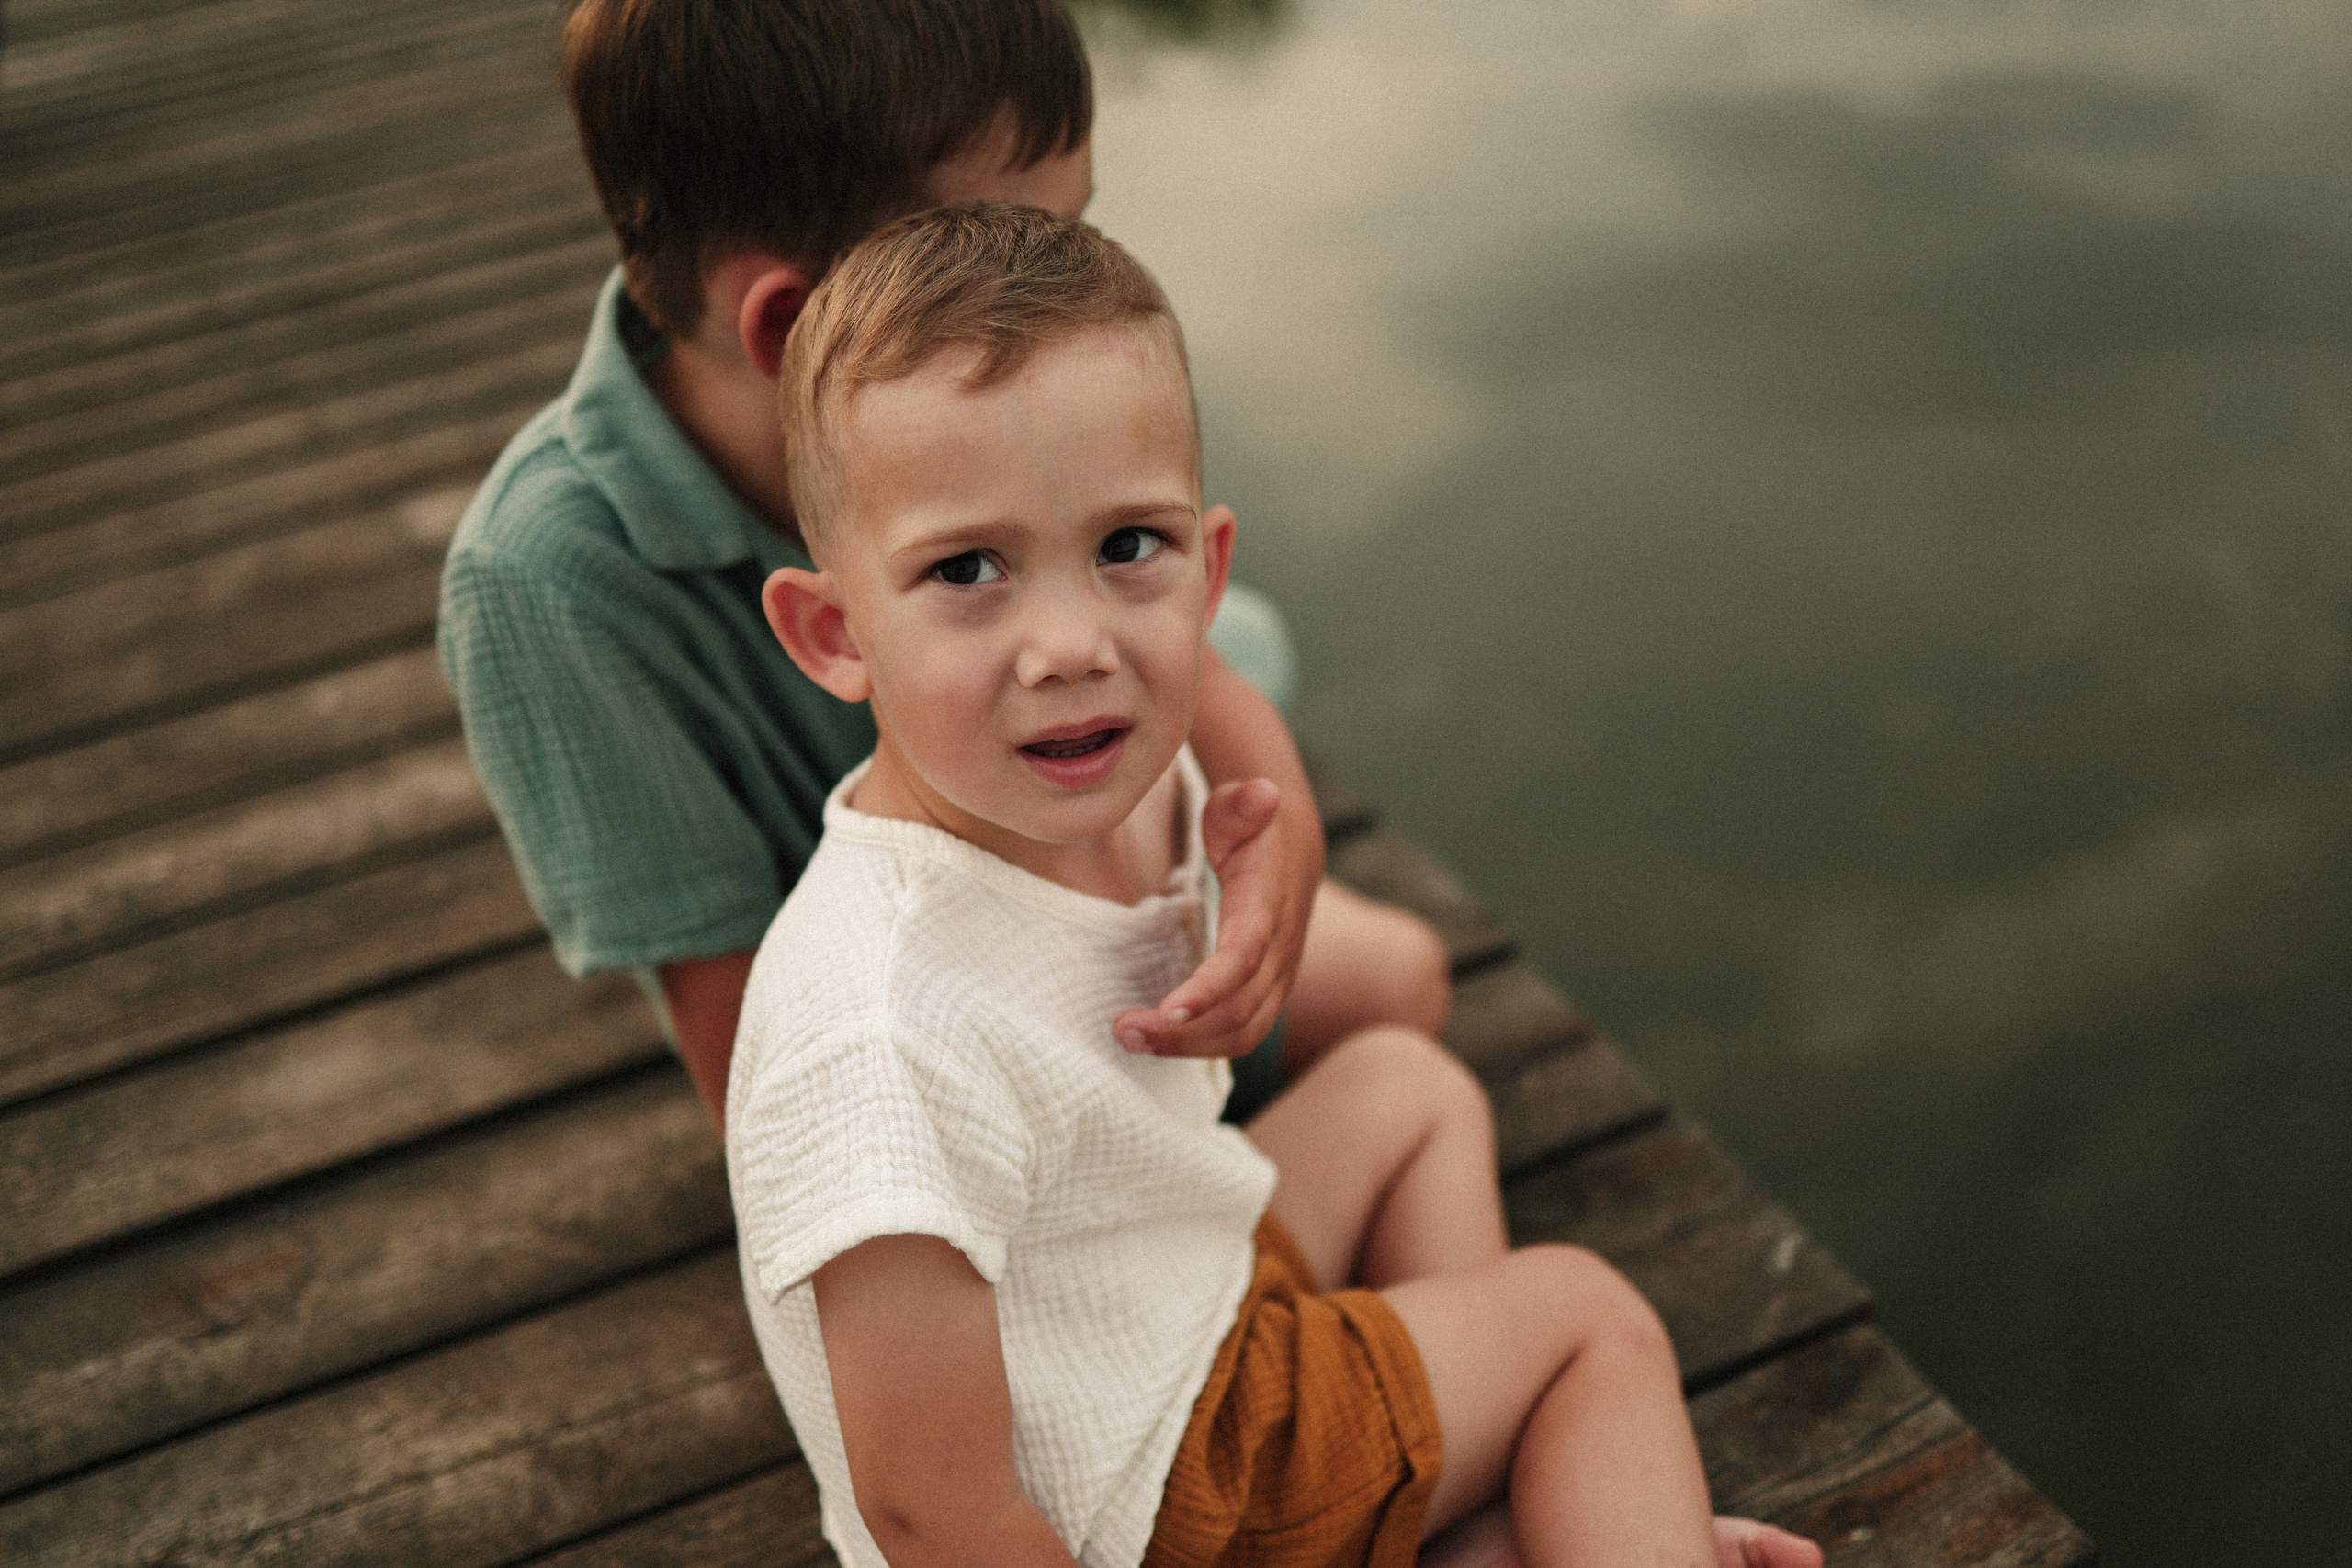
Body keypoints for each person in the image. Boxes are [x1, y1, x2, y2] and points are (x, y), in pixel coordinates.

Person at [732, 201, 1823, 1568]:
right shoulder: (876, 1029)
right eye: (967, 569)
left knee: (1409, 1088)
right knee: (1585, 1320)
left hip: (1157, 1309)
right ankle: (1555, 1464)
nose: (1070, 644)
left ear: (1208, 571)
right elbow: (926, 1509)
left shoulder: (1077, 785)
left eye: (1127, 547)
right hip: (1145, 1491)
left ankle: (1501, 1498)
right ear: (834, 633)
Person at [436, 0, 1451, 1134]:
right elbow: (757, 1077)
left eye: (1073, 235)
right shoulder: (545, 580)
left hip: (1073, 859)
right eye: (1012, 258)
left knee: (1405, 976)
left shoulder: (1002, 442)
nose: (1069, 297)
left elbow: (1171, 658)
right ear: (793, 327)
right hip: (930, 1016)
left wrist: (1281, 823)